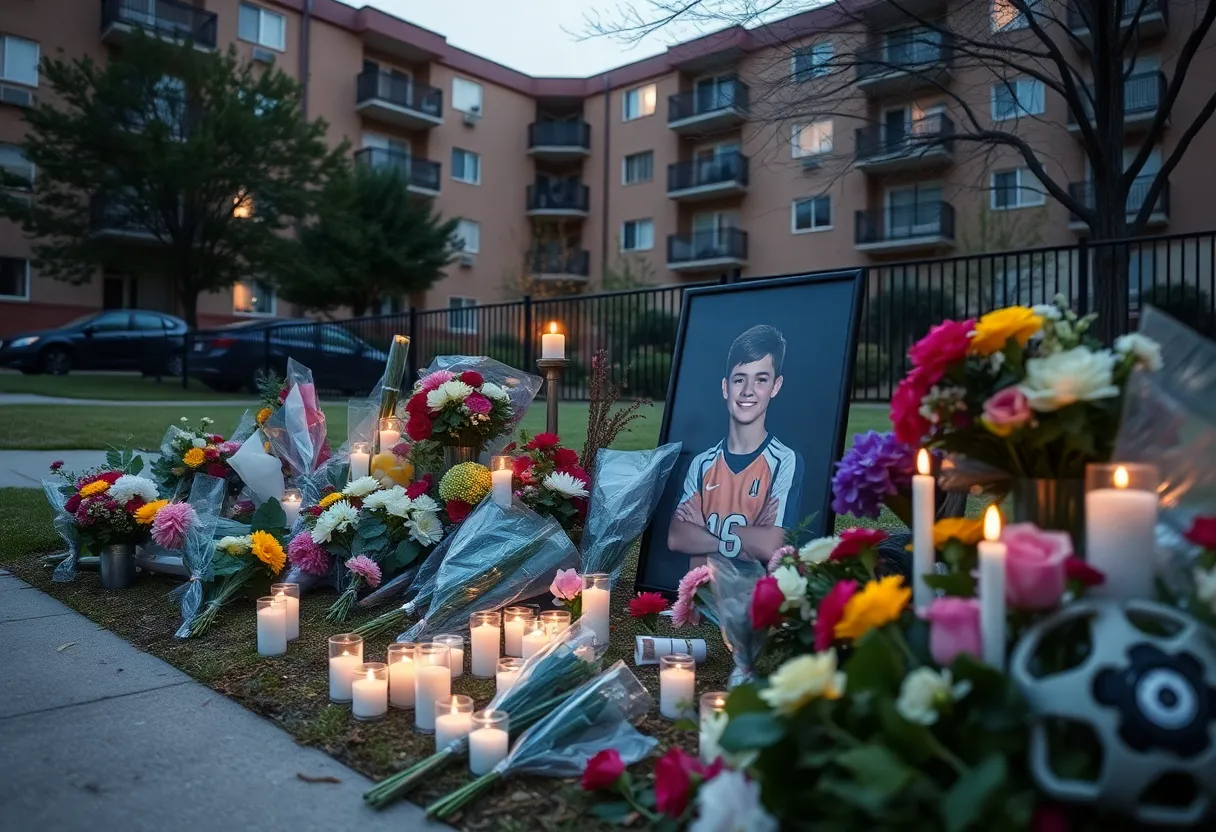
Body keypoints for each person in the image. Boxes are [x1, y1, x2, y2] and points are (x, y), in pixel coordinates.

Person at [667, 324, 804, 564]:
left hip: (755, 596)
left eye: (761, 379)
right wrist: (742, 537)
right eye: (740, 379)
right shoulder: (702, 464)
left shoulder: (784, 460)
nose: (748, 391)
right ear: (725, 387)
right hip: (699, 594)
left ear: (776, 386)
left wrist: (703, 535)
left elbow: (771, 545)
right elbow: (677, 537)